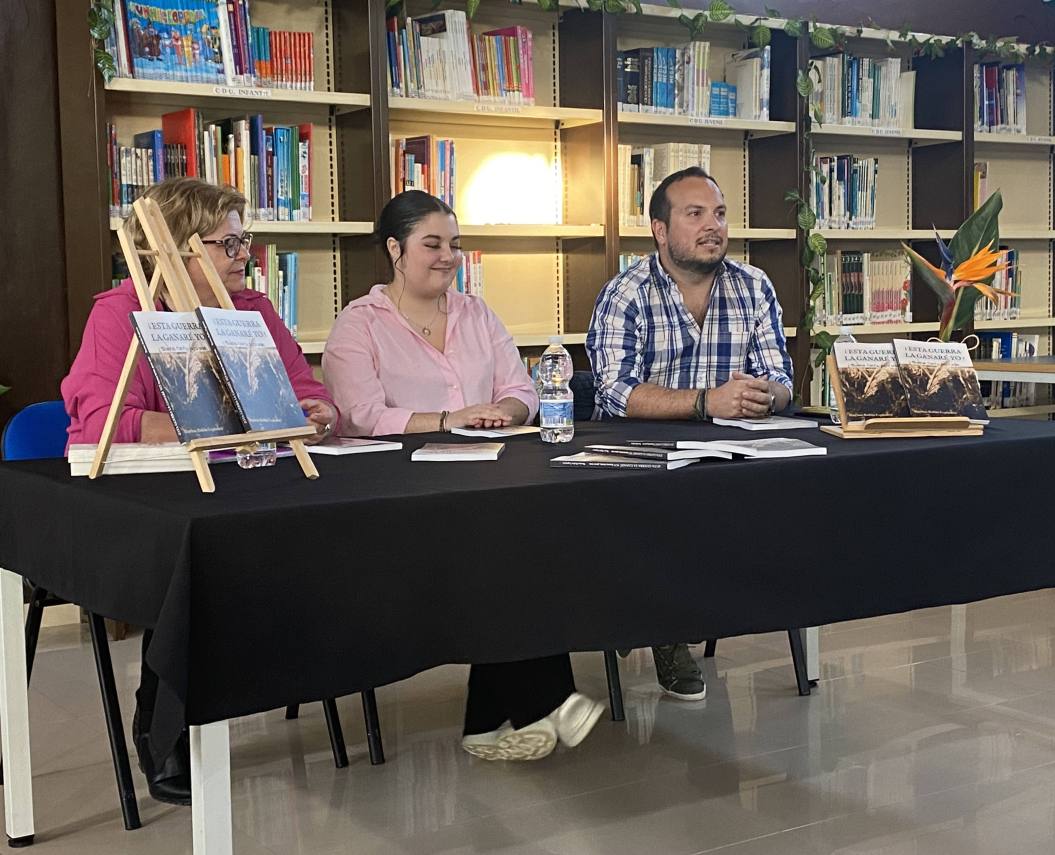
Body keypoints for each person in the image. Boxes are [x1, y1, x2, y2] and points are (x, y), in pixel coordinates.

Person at [60, 177, 339, 805]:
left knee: (320, 535)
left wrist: (319, 413)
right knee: (199, 563)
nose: (246, 256)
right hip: (155, 496)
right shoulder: (120, 312)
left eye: (245, 241)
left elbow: (307, 393)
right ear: (178, 250)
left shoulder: (253, 311)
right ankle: (163, 724)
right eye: (228, 244)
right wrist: (220, 422)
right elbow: (105, 421)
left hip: (246, 483)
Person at [323, 189, 605, 760]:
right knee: (501, 552)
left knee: (528, 538)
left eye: (454, 244)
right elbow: (361, 416)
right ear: (395, 250)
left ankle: (489, 720)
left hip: (487, 479)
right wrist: (450, 419)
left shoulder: (478, 313)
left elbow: (522, 388)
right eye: (432, 244)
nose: (448, 256)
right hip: (401, 493)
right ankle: (545, 697)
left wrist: (508, 411)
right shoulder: (359, 324)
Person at [586, 166, 794, 703]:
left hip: (732, 446)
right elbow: (615, 392)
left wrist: (763, 395)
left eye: (720, 214)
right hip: (641, 452)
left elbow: (782, 381)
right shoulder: (626, 293)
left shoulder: (753, 286)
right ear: (660, 230)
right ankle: (665, 626)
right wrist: (705, 402)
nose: (713, 226)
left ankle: (670, 609)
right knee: (672, 506)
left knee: (795, 494)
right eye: (695, 214)